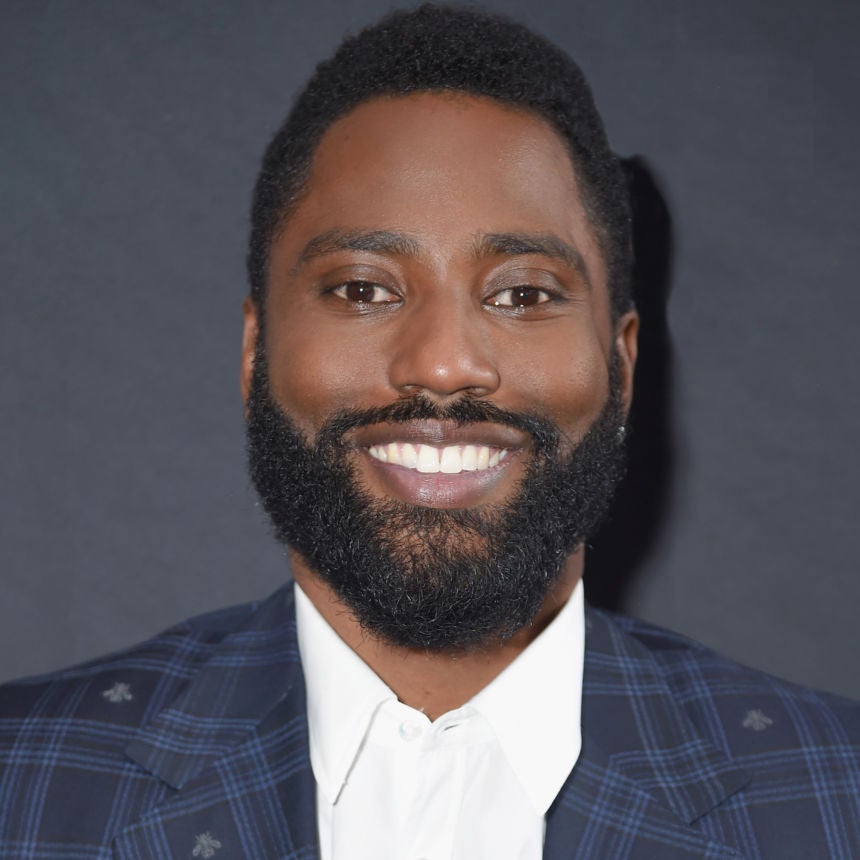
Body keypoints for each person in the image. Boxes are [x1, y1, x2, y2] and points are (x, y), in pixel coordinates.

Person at [1, 4, 858, 858]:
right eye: (363, 290)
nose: (444, 365)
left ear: (621, 366)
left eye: (522, 294)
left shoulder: (839, 795)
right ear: (256, 352)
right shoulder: (18, 779)